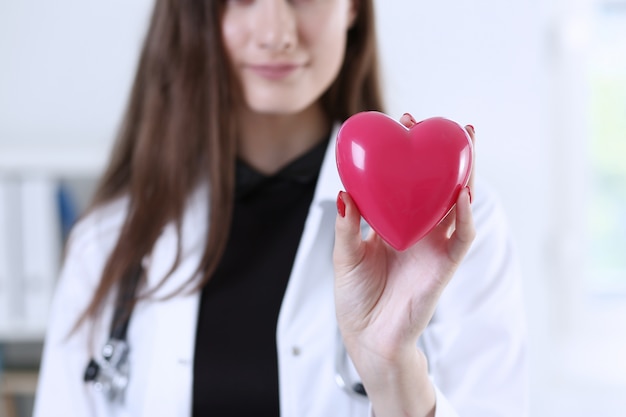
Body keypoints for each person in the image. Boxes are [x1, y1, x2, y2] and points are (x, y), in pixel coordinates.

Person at [34, 0, 527, 416]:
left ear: (353, 7)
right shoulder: (108, 239)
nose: (276, 33)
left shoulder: (455, 223)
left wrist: (392, 368)